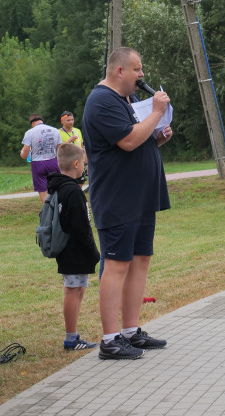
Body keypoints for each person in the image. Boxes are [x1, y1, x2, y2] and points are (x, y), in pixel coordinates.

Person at [82, 47, 173, 361]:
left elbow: (136, 139)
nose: (142, 75)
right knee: (117, 264)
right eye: (137, 69)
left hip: (141, 195)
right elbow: (128, 140)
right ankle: (110, 340)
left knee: (140, 261)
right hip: (118, 198)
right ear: (119, 71)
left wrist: (157, 136)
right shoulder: (102, 101)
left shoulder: (126, 100)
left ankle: (131, 331)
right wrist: (157, 113)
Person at [46, 143, 101, 351]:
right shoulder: (72, 191)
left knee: (77, 289)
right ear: (76, 164)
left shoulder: (59, 187)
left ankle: (74, 335)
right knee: (72, 290)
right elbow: (80, 227)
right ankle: (70, 338)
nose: (84, 170)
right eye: (83, 166)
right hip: (74, 250)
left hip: (68, 249)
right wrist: (94, 252)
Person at [20, 114, 62, 203]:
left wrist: (22, 153)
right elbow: (59, 150)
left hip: (38, 163)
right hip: (53, 161)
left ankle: (48, 212)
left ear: (32, 123)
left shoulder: (30, 132)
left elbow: (24, 154)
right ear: (42, 120)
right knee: (57, 188)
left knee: (43, 192)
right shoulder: (55, 130)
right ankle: (59, 210)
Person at [58, 110, 87, 181]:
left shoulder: (77, 131)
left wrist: (85, 160)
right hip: (66, 162)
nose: (71, 122)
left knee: (80, 181)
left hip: (78, 161)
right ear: (62, 121)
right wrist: (69, 140)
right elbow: (58, 149)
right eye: (68, 120)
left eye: (72, 120)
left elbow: (81, 146)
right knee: (69, 182)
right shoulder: (58, 133)